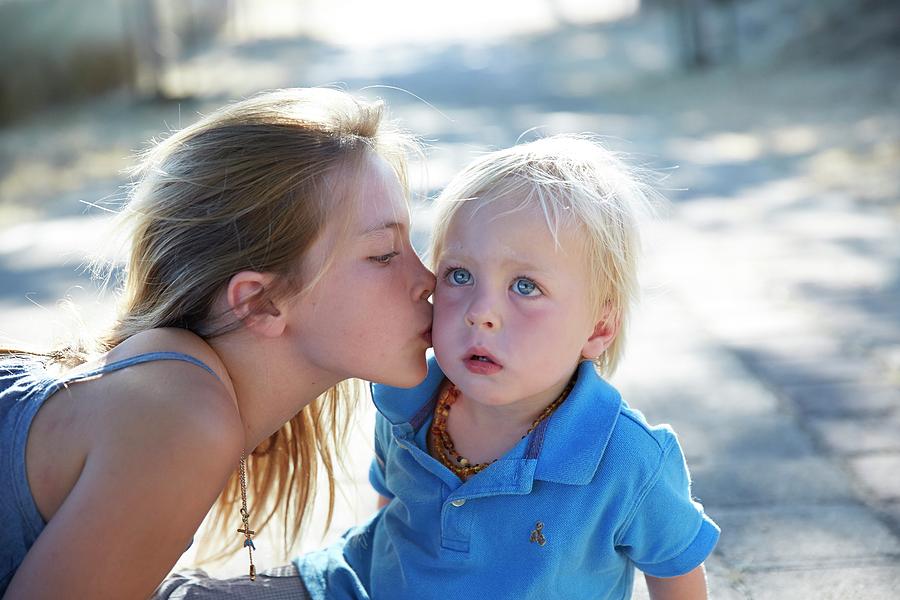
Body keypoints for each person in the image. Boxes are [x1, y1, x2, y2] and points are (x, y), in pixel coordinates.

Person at [157, 135, 721, 600]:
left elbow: (674, 571)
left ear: (597, 328)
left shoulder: (625, 459)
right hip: (350, 586)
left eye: (525, 286)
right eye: (458, 275)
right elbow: (392, 509)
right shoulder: (410, 398)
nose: (481, 313)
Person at [0, 87, 435, 600]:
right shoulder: (180, 416)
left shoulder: (176, 383)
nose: (428, 278)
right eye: (384, 253)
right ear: (258, 302)